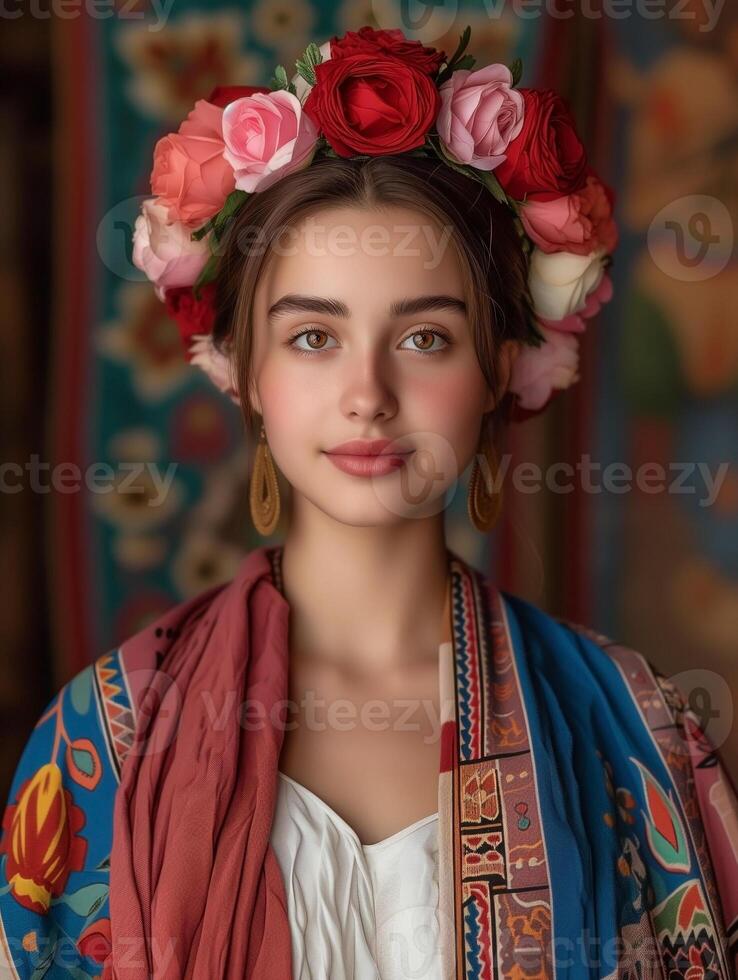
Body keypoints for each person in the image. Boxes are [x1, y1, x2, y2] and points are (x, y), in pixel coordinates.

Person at [1, 24, 737, 980]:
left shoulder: (634, 728)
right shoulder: (108, 736)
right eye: (313, 337)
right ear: (244, 372)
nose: (367, 393)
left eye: (425, 338)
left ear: (499, 369)